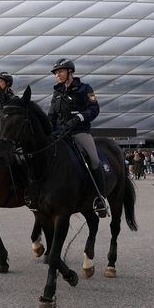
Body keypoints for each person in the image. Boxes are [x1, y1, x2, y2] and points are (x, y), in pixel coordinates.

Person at [47, 58, 107, 217]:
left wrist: (79, 117)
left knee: (94, 160)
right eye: (56, 73)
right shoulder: (57, 92)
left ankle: (99, 198)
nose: (57, 75)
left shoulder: (85, 88)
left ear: (70, 72)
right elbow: (51, 115)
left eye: (60, 71)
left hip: (79, 131)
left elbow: (94, 109)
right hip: (59, 133)